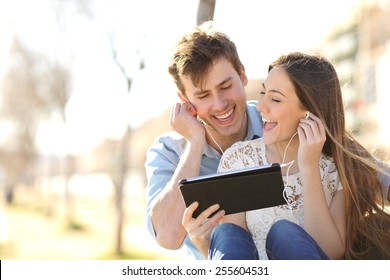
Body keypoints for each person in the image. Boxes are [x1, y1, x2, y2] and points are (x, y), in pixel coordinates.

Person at [182, 52, 390, 260]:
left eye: (275, 99)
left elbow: (330, 252)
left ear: (309, 112)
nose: (261, 106)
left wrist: (309, 167)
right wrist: (205, 244)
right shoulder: (239, 159)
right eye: (263, 93)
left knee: (284, 232)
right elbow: (232, 245)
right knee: (225, 232)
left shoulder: (335, 168)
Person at [144, 20, 263, 259]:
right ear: (185, 99)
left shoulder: (276, 121)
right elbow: (167, 237)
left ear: (242, 74)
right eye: (203, 95)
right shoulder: (168, 151)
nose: (219, 104)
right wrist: (195, 142)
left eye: (226, 86)